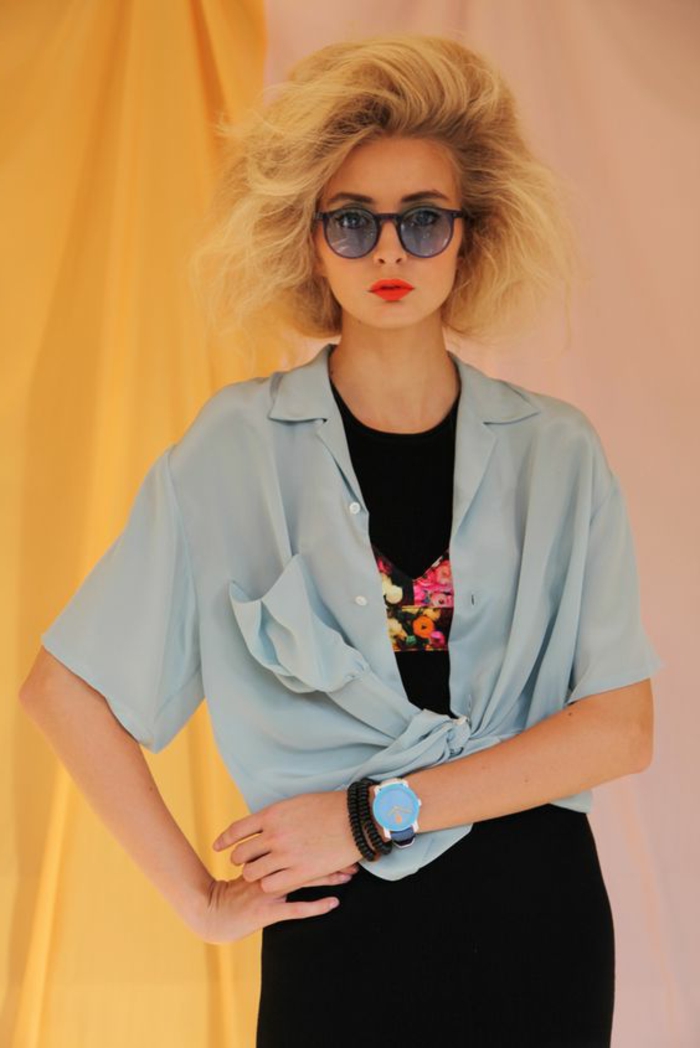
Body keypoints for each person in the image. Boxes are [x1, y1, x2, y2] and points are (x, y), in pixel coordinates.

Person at [20, 32, 663, 1048]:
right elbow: (63, 691)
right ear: (309, 239)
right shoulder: (234, 449)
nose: (391, 253)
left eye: (424, 219)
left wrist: (371, 814)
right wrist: (201, 901)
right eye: (353, 221)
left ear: (471, 235)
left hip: (536, 928)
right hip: (336, 933)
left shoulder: (557, 452)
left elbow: (620, 728)